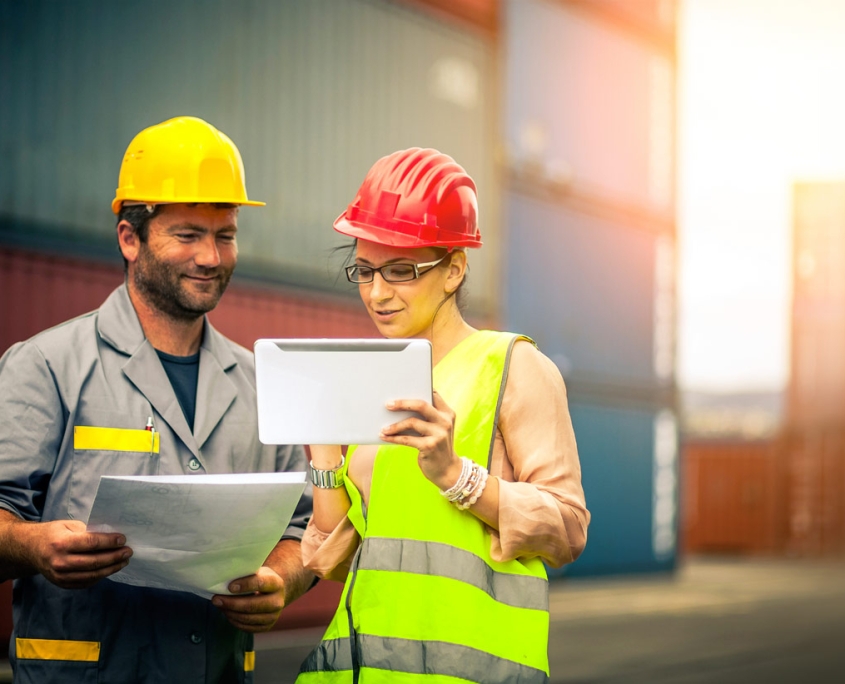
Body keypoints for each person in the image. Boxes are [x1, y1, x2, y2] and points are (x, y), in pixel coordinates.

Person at [0, 116, 314, 683]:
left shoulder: (262, 384)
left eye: (225, 235)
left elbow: (303, 529)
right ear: (129, 237)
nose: (211, 258)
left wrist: (282, 581)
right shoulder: (46, 366)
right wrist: (30, 544)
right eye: (188, 235)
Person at [296, 147, 589, 683]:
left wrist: (457, 477)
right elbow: (339, 562)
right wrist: (323, 455)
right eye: (364, 270)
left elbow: (567, 529)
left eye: (401, 270)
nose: (377, 293)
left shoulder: (514, 367)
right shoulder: (373, 380)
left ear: (454, 269)